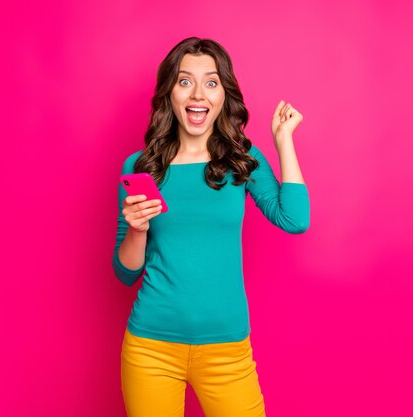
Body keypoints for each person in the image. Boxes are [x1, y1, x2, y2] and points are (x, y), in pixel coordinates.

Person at [112, 37, 310, 417]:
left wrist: (283, 142)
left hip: (227, 351)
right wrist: (137, 230)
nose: (198, 93)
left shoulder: (242, 158)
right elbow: (125, 272)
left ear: (223, 95)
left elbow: (295, 219)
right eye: (185, 81)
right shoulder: (140, 167)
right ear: (170, 92)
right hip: (150, 348)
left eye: (211, 81)